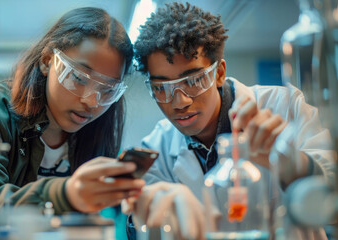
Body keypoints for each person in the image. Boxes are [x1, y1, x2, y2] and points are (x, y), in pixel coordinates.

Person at [123, 2, 335, 240]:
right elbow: (144, 228)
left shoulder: (285, 107)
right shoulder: (156, 149)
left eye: (193, 81)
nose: (179, 102)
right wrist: (148, 214)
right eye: (161, 88)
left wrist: (295, 167)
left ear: (219, 73)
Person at [0, 7, 145, 215]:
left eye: (107, 90)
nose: (91, 102)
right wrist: (65, 195)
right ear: (47, 60)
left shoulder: (96, 132)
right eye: (78, 78)